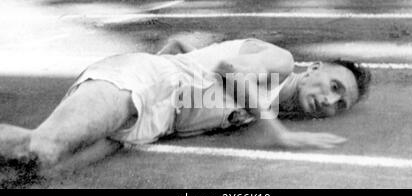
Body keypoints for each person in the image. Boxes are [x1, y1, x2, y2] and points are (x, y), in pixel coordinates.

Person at [0, 38, 371, 174]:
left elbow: (184, 45)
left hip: (149, 125)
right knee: (41, 150)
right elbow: (228, 69)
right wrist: (278, 131)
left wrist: (181, 54)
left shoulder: (267, 100)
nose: (330, 100)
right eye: (336, 86)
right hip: (146, 85)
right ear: (315, 68)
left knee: (31, 173)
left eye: (340, 104)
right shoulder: (282, 62)